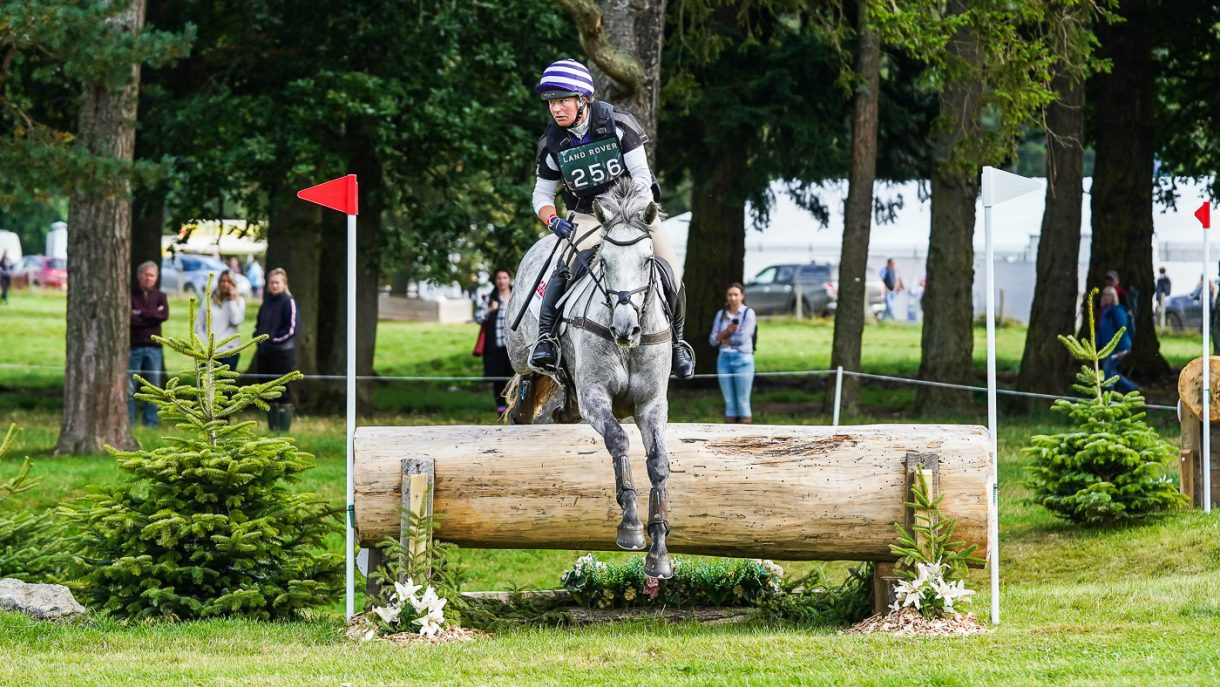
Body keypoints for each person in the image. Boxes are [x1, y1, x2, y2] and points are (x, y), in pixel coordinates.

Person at [528, 58, 694, 379]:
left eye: (563, 100)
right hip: (589, 215)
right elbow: (541, 195)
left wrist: (637, 214)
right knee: (566, 269)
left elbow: (642, 178)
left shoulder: (619, 125)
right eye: (551, 102)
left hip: (632, 209)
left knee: (670, 269)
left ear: (583, 100)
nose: (556, 109)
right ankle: (547, 339)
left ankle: (677, 344)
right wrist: (553, 220)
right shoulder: (551, 143)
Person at [254, 268, 299, 432]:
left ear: (284, 284)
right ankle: (272, 430)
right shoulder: (266, 303)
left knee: (283, 391)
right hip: (265, 353)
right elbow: (259, 324)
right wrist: (258, 338)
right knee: (267, 390)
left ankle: (284, 430)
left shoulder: (289, 301)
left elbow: (292, 329)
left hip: (282, 354)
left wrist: (273, 340)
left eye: (277, 283)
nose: (273, 286)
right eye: (271, 283)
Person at [709, 283, 756, 424]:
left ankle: (746, 435)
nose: (733, 298)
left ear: (742, 296)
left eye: (736, 294)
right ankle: (729, 433)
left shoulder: (748, 313)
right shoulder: (721, 314)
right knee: (729, 401)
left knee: (742, 400)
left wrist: (722, 338)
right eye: (730, 294)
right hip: (723, 359)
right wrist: (727, 331)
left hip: (743, 359)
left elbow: (742, 338)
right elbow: (712, 340)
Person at [130, 260, 169, 427]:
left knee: (153, 387)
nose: (149, 278)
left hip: (154, 349)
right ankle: (128, 422)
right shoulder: (130, 295)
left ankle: (150, 423)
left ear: (156, 278)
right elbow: (130, 320)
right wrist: (152, 315)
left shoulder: (161, 297)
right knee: (129, 387)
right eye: (146, 275)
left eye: (152, 275)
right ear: (139, 276)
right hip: (134, 346)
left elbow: (163, 316)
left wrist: (139, 313)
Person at [475, 268, 514, 414]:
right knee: (498, 377)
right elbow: (478, 318)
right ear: (495, 281)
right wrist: (490, 310)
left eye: (504, 277)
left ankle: (515, 405)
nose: (502, 281)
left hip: (513, 346)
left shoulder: (517, 296)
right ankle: (501, 407)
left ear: (509, 279)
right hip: (495, 345)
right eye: (499, 278)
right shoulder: (489, 298)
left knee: (514, 376)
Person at [195, 270, 246, 372]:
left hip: (229, 350)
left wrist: (232, 300)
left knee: (227, 386)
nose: (225, 284)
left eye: (229, 281)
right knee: (206, 383)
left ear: (233, 284)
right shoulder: (209, 300)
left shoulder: (239, 301)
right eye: (223, 281)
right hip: (208, 350)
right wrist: (205, 343)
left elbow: (236, 321)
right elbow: (199, 324)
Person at [1097, 286, 1137, 393]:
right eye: (1104, 294)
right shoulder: (1104, 311)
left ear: (1114, 296)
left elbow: (1122, 330)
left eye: (1109, 295)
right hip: (1106, 348)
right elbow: (1101, 330)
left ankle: (1113, 396)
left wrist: (1122, 349)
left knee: (1108, 373)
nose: (1106, 297)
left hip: (1117, 348)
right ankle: (1131, 388)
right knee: (1110, 372)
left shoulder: (1118, 311)